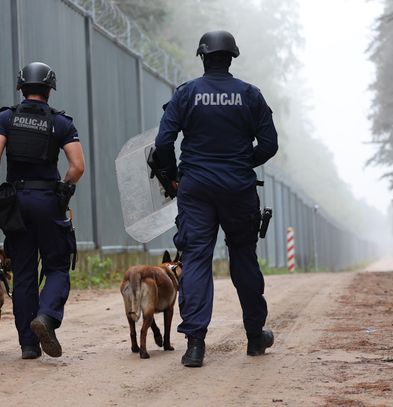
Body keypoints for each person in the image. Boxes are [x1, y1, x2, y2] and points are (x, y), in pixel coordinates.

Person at [153, 31, 278, 367]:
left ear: (203, 57)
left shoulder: (186, 94)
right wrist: (241, 162)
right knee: (244, 258)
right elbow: (269, 145)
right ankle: (255, 336)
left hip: (196, 189)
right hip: (238, 188)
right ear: (232, 57)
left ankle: (195, 346)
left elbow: (163, 143)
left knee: (195, 259)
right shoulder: (251, 95)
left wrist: (173, 174)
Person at [0, 62, 85, 359]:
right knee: (56, 265)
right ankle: (47, 317)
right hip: (48, 200)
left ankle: (28, 344)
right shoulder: (61, 123)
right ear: (50, 89)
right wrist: (62, 189)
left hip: (16, 203)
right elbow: (77, 167)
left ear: (21, 87)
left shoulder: (6, 117)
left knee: (25, 272)